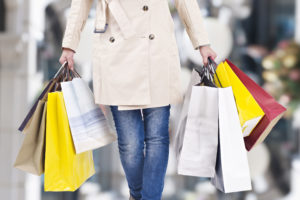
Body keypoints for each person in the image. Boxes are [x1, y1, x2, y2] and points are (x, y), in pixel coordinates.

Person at [59, 0, 217, 199]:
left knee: (157, 137)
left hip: (156, 50)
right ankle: (136, 194)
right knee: (130, 143)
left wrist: (202, 43)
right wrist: (69, 46)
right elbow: (80, 4)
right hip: (116, 49)